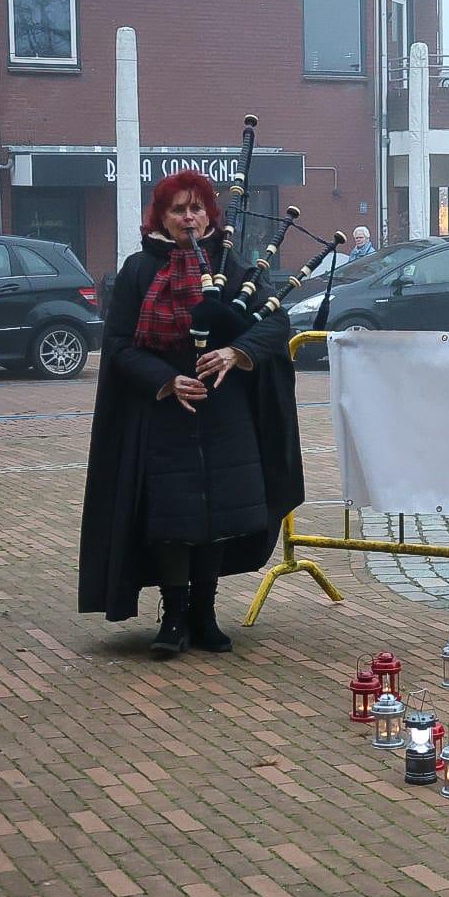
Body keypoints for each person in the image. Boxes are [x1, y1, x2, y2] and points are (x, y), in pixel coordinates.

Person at [78, 171, 304, 656]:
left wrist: (235, 353)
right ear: (160, 217)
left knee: (216, 514)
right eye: (178, 209)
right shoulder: (138, 271)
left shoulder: (231, 264)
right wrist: (163, 379)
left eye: (196, 208)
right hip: (164, 414)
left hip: (225, 413)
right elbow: (118, 346)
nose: (189, 217)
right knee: (172, 516)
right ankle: (174, 618)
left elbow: (274, 320)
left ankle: (205, 614)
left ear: (210, 215)